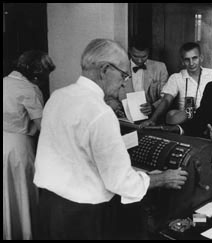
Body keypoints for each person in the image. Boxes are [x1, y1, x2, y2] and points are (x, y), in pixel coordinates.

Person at [33, 39, 188, 240]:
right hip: (82, 216)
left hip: (48, 206)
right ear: (105, 70)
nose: (124, 81)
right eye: (123, 75)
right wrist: (161, 178)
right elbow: (120, 182)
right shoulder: (101, 112)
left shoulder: (58, 96)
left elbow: (75, 155)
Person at [3, 50, 55, 240]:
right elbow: (44, 127)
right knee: (21, 191)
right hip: (19, 147)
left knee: (5, 193)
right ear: (36, 73)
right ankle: (25, 233)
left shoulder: (4, 83)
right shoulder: (28, 90)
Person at [141, 42, 212, 126]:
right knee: (171, 115)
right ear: (182, 61)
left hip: (209, 120)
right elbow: (166, 100)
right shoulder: (176, 78)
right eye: (187, 59)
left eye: (194, 58)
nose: (191, 63)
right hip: (187, 121)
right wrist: (153, 120)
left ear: (201, 58)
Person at [114, 36, 169, 117]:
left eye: (144, 57)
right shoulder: (118, 68)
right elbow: (110, 96)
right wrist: (117, 109)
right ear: (129, 51)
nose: (139, 61)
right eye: (135, 56)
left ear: (148, 52)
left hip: (153, 116)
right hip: (125, 117)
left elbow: (166, 95)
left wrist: (153, 106)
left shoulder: (160, 67)